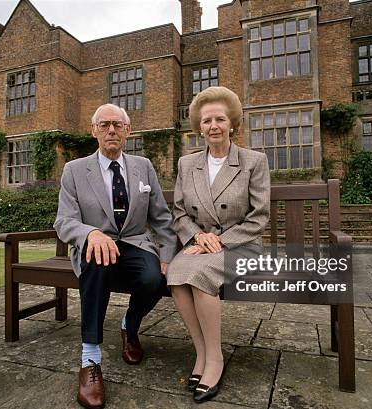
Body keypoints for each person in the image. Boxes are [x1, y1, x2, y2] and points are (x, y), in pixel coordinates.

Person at [54, 103, 176, 409]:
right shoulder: (74, 170)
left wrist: (168, 253)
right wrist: (90, 234)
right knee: (96, 259)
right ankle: (90, 359)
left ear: (128, 131)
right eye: (104, 124)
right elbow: (64, 221)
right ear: (94, 130)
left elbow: (161, 216)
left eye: (118, 125)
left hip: (135, 243)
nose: (111, 130)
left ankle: (129, 326)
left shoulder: (143, 166)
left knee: (155, 278)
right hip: (97, 246)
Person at [166, 86, 270, 403]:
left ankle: (215, 360)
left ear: (232, 124)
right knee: (175, 274)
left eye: (220, 119)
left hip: (241, 246)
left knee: (198, 276)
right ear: (199, 127)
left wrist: (218, 240)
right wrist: (198, 236)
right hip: (199, 246)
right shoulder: (187, 164)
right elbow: (180, 212)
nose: (214, 126)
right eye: (207, 120)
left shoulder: (254, 161)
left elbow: (259, 216)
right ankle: (202, 352)